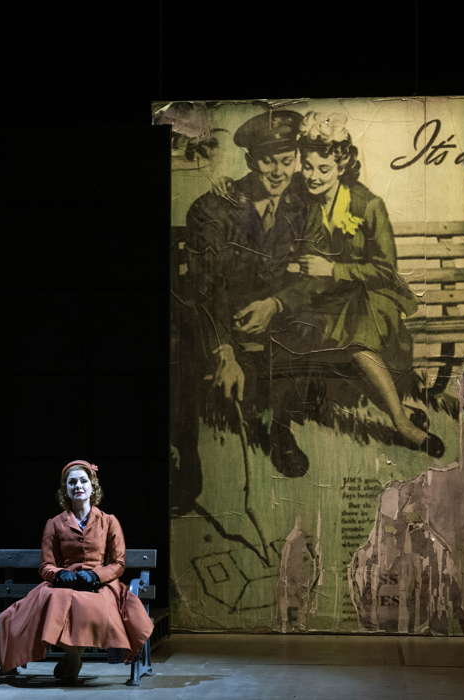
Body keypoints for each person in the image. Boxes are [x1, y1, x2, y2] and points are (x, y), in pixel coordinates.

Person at [176, 109, 313, 503]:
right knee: (180, 343)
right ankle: (185, 451)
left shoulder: (301, 206)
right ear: (251, 161)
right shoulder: (213, 208)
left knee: (306, 323)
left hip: (267, 314)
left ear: (298, 160)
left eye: (287, 161)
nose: (278, 172)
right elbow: (206, 288)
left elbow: (308, 276)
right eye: (268, 161)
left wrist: (275, 304)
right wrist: (224, 349)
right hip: (215, 316)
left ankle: (279, 430)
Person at [290, 111, 443, 456]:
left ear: (342, 166)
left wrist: (334, 270)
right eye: (309, 167)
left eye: (323, 169)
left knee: (356, 331)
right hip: (325, 301)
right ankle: (402, 414)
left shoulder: (369, 205)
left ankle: (402, 424)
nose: (313, 177)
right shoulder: (301, 201)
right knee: (341, 327)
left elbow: (386, 270)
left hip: (373, 297)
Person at [0, 459, 153, 683]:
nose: (78, 486)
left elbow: (118, 563)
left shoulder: (108, 521)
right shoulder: (55, 523)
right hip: (66, 582)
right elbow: (46, 564)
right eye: (72, 483)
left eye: (83, 481)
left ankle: (73, 657)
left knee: (88, 605)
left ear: (92, 486)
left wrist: (96, 575)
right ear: (66, 490)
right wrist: (59, 574)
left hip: (98, 583)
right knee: (52, 600)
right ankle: (72, 655)